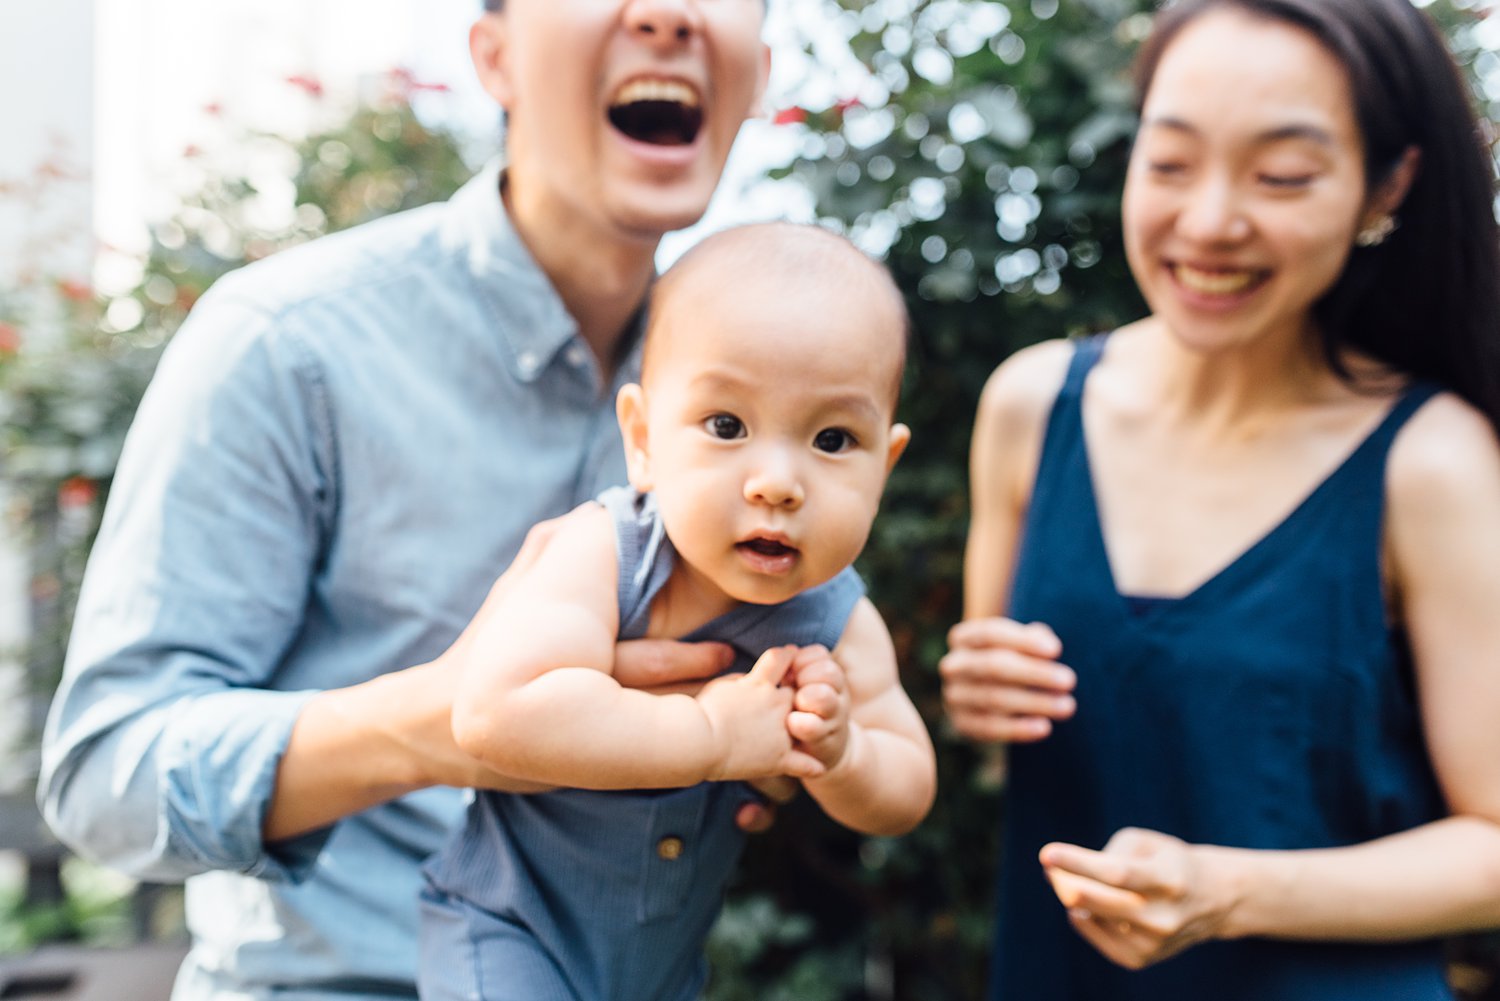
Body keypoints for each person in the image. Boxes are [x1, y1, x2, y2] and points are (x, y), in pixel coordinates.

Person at [36, 2, 783, 999]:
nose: (666, 13)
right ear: (495, 55)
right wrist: (447, 719)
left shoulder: (771, 390)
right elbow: (101, 777)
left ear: (762, 74)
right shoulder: (285, 341)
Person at [940, 0, 1500, 997]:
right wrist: (977, 710)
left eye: (1282, 174)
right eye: (1169, 161)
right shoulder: (1030, 406)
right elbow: (1006, 753)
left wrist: (1229, 889)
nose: (1207, 222)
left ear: (1389, 185)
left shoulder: (1432, 461)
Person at [418, 221, 936, 1001]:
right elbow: (496, 711)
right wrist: (710, 736)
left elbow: (908, 785)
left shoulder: (835, 617)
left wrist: (843, 753)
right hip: (512, 926)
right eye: (727, 426)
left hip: (662, 967)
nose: (777, 481)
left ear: (884, 465)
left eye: (832, 438)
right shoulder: (606, 552)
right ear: (644, 439)